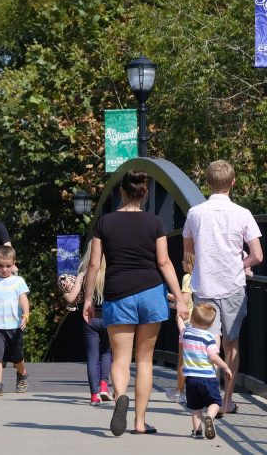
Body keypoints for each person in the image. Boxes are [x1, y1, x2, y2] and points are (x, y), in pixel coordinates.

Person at [82, 170, 186, 436]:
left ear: (121, 192)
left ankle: (120, 399)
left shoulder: (105, 223)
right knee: (145, 361)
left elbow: (94, 263)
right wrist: (181, 298)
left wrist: (87, 299)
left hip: (119, 294)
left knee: (120, 358)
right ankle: (140, 422)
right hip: (152, 293)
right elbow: (163, 262)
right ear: (145, 193)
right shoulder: (155, 223)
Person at [183, 159, 263, 416]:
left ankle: (209, 399)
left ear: (207, 183)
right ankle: (226, 401)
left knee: (209, 345)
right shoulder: (243, 214)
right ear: (233, 182)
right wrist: (241, 265)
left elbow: (188, 252)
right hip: (232, 288)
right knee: (232, 345)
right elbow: (258, 256)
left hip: (204, 288)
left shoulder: (195, 213)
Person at [59, 245, 113, 405]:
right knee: (107, 353)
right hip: (109, 318)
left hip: (90, 319)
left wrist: (64, 289)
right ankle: (104, 386)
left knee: (92, 356)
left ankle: (94, 395)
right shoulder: (112, 272)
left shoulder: (84, 273)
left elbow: (71, 299)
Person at [181, 303, 233, 440]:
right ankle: (209, 416)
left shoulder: (186, 334)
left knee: (195, 407)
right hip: (208, 378)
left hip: (191, 378)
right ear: (210, 325)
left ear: (192, 319)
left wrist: (179, 318)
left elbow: (181, 327)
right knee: (215, 402)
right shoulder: (209, 338)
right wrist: (225, 367)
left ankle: (197, 431)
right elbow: (213, 357)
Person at [0, 246, 30, 396]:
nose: (4, 269)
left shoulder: (18, 281)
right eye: (1, 266)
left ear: (13, 264)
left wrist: (26, 314)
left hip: (14, 325)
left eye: (8, 266)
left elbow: (23, 298)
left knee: (17, 357)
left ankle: (22, 373)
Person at [166, 250, 195, 404]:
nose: (182, 263)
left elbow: (184, 299)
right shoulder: (201, 278)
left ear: (190, 263)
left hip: (188, 322)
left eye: (184, 261)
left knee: (183, 360)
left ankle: (179, 392)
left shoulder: (187, 277)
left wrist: (166, 294)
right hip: (201, 322)